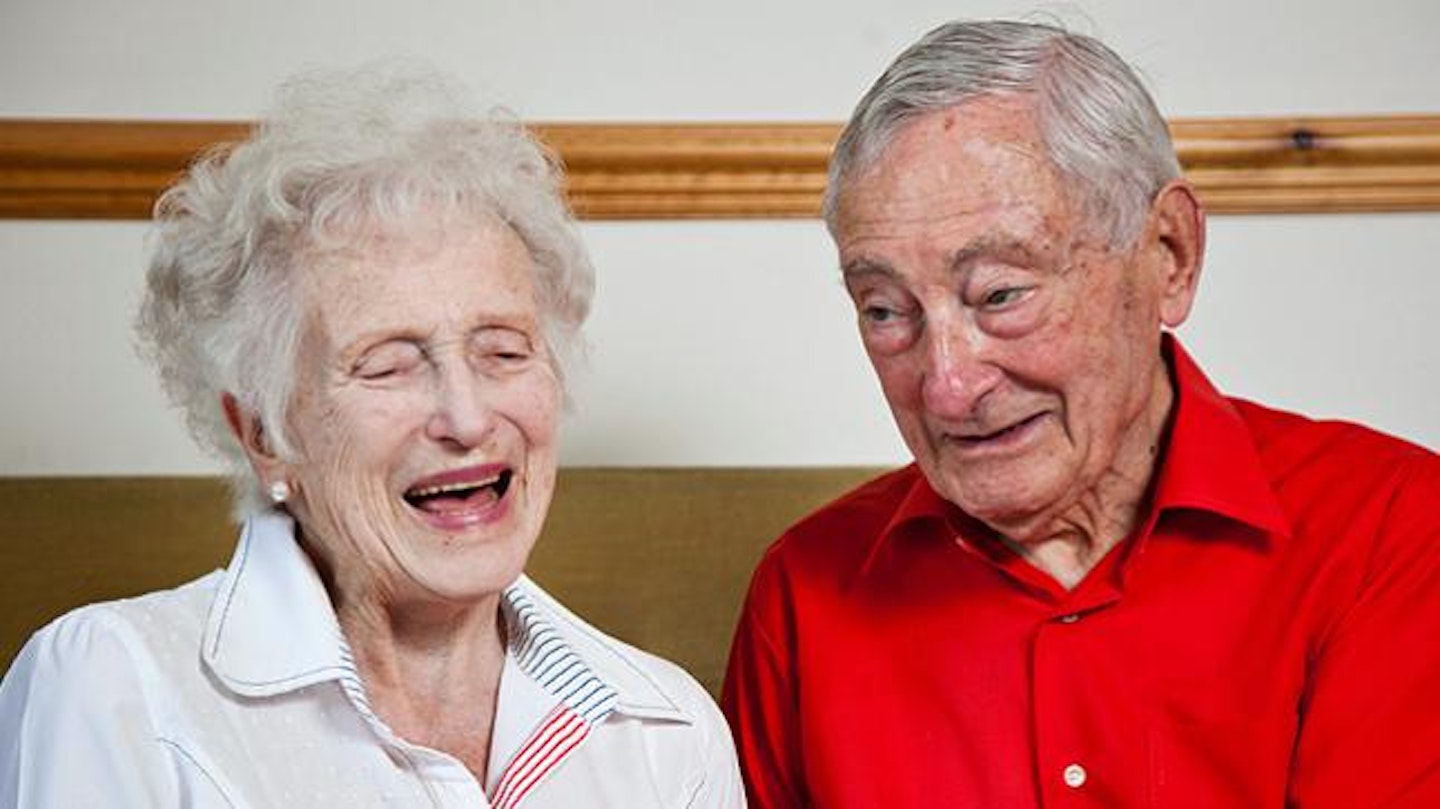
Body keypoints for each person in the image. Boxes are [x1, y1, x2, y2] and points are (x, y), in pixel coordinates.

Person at [722, 19, 1440, 808]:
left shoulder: (1389, 534)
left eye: (1001, 294)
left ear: (1168, 254)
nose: (947, 386)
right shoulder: (805, 595)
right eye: (886, 310)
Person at [0, 66, 743, 808]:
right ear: (264, 433)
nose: (468, 417)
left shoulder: (664, 733)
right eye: (387, 365)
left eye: (504, 351)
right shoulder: (119, 689)